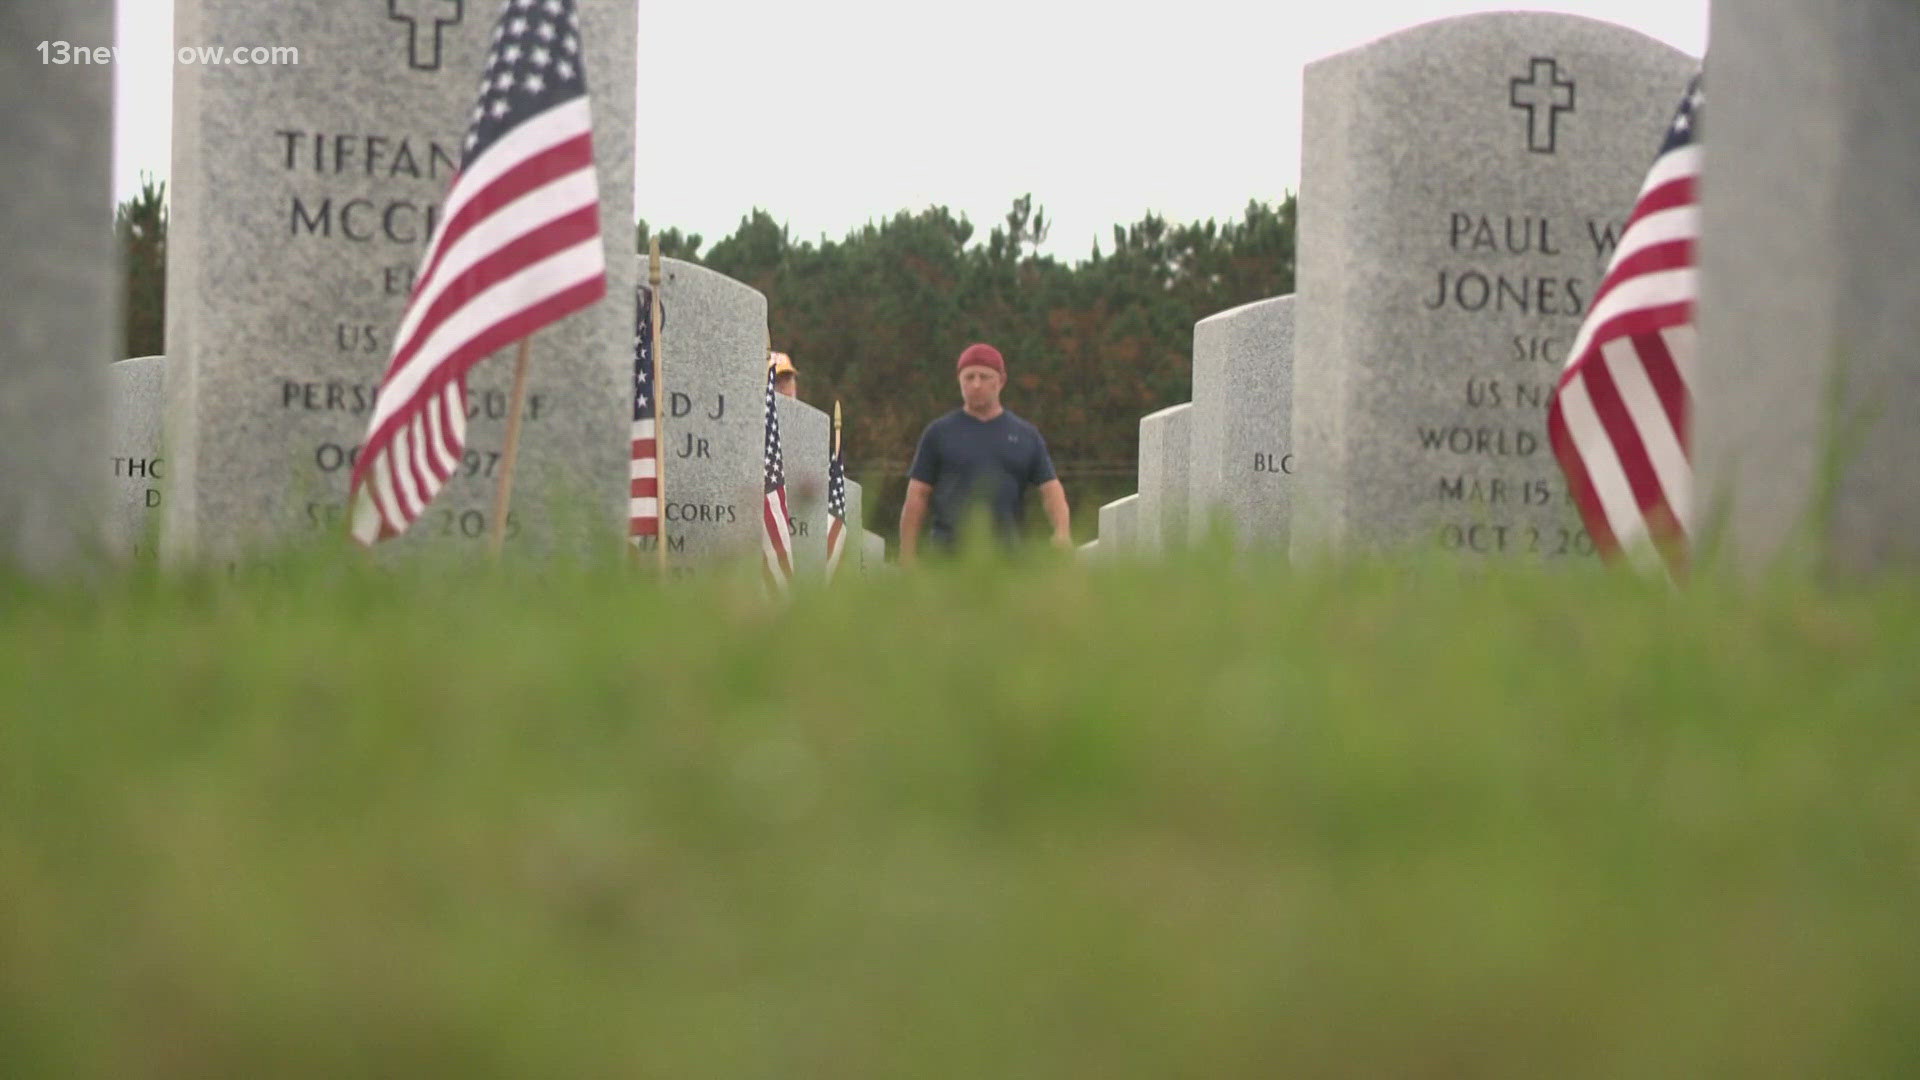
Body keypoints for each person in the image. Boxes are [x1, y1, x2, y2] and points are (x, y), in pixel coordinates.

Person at [899, 343, 1070, 564]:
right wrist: (907, 553)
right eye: (969, 377)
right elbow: (917, 494)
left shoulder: (1026, 435)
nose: (976, 384)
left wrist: (1062, 532)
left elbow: (1050, 489)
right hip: (947, 560)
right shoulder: (938, 433)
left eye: (984, 376)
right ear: (959, 381)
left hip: (1009, 560)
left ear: (1001, 380)